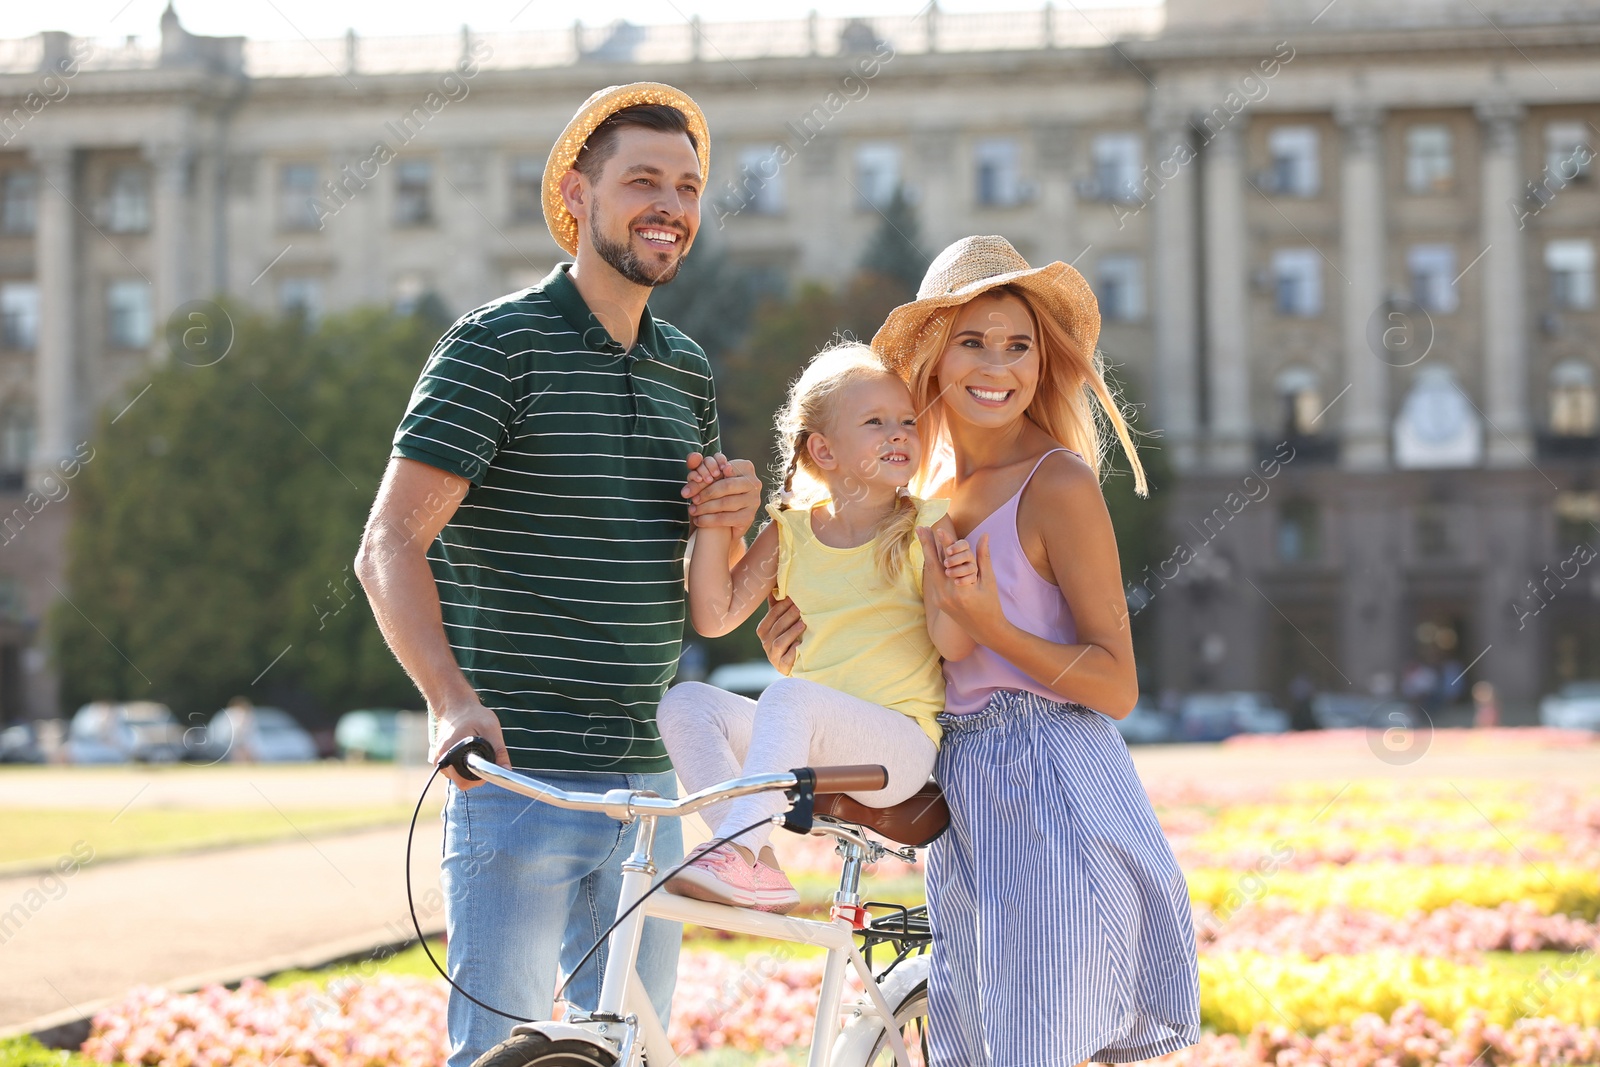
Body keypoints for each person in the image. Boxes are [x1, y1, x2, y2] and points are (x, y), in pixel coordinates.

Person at [354, 83, 763, 1067]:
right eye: (642, 182)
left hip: (646, 783)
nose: (669, 204)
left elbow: (710, 599)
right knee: (497, 1058)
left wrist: (742, 523)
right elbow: (387, 544)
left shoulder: (686, 370)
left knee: (624, 1053)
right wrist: (449, 700)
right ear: (578, 194)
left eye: (688, 187)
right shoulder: (497, 346)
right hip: (519, 776)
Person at [765, 236, 1201, 1065]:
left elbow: (1116, 684)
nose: (997, 364)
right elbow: (907, 660)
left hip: (1053, 786)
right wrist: (800, 652)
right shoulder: (925, 502)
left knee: (1036, 1047)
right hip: (963, 792)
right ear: (934, 356)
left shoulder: (1058, 483)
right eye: (973, 340)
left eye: (1018, 344)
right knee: (971, 1047)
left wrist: (991, 621)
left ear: (1043, 362)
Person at [657, 343, 977, 912]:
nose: (899, 433)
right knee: (685, 704)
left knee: (789, 697)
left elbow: (956, 642)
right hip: (809, 737)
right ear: (823, 450)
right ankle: (757, 863)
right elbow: (714, 615)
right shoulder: (791, 533)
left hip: (897, 748)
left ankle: (734, 848)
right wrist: (712, 520)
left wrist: (958, 584)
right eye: (875, 422)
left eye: (907, 421)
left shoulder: (929, 524)